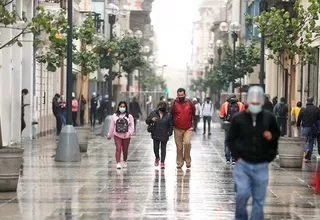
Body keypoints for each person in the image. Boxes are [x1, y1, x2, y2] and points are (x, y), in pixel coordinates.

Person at [227, 86, 280, 220]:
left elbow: (276, 136)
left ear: (261, 102)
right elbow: (230, 139)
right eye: (253, 103)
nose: (255, 105)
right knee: (242, 194)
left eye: (257, 103)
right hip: (243, 164)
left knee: (259, 201)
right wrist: (237, 157)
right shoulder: (239, 118)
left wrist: (269, 154)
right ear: (248, 102)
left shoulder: (269, 118)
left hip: (261, 165)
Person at [170, 88, 195, 169]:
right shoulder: (174, 104)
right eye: (179, 95)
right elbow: (171, 114)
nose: (180, 96)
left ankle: (187, 160)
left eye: (182, 95)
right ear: (177, 95)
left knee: (187, 143)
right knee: (179, 147)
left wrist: (193, 123)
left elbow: (194, 113)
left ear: (185, 95)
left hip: (188, 127)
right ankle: (179, 162)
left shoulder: (190, 103)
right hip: (177, 128)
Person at [146, 101, 173, 169]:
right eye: (161, 105)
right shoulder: (153, 113)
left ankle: (162, 162)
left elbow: (171, 125)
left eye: (163, 105)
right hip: (155, 133)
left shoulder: (168, 115)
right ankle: (157, 157)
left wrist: (169, 132)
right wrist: (151, 119)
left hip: (164, 134)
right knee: (156, 148)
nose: (162, 107)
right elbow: (147, 121)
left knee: (163, 149)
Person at [107, 101, 134, 169]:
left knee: (125, 150)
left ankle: (124, 161)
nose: (122, 108)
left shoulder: (129, 116)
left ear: (126, 107)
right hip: (117, 135)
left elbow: (132, 126)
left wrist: (129, 133)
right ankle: (118, 162)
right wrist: (109, 135)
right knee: (118, 148)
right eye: (121, 106)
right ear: (118, 107)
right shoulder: (115, 116)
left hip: (126, 136)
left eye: (123, 106)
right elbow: (112, 126)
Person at [219, 94, 245, 164]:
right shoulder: (241, 105)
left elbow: (221, 116)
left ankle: (227, 159)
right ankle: (234, 159)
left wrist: (225, 118)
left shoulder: (225, 105)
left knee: (227, 141)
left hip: (227, 125)